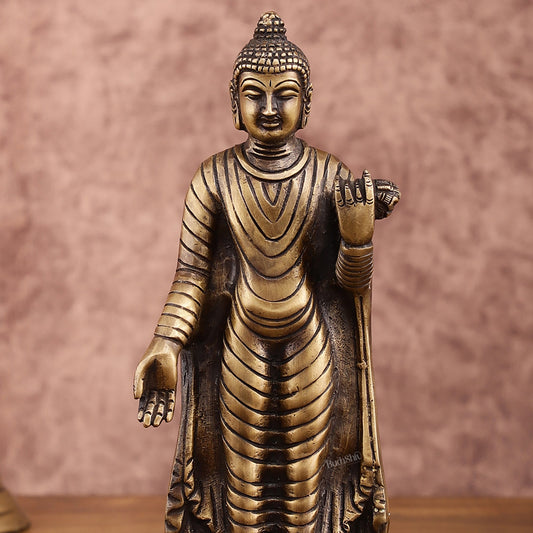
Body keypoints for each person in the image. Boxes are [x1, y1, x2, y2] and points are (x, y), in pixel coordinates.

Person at [134, 12, 399, 533]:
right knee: (243, 481)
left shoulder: (329, 175)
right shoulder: (213, 177)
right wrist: (165, 343)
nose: (271, 108)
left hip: (310, 341)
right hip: (241, 341)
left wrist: (358, 238)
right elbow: (192, 275)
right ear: (235, 103)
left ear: (308, 102)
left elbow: (348, 287)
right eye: (255, 94)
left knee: (304, 480)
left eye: (286, 95)